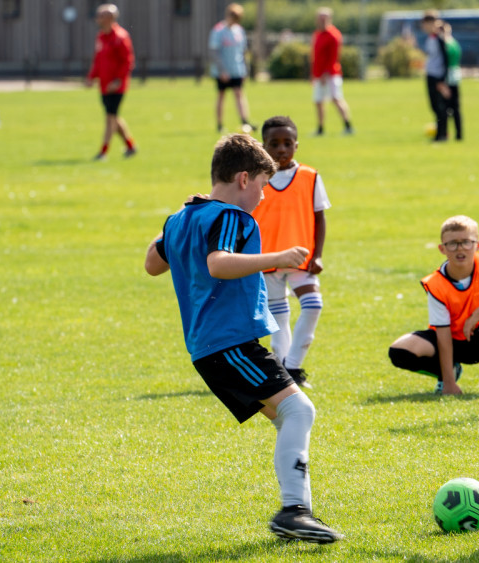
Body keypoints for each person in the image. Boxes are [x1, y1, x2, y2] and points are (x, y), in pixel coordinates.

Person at [143, 133, 343, 544]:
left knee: (290, 417)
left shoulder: (182, 218)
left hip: (208, 347)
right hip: (228, 341)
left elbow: (152, 264)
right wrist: (279, 257)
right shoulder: (234, 217)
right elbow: (219, 264)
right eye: (263, 187)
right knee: (300, 412)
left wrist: (179, 218)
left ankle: (299, 514)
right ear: (243, 178)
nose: (264, 198)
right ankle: (294, 512)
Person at [389, 215, 479, 396]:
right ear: (442, 249)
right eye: (452, 243)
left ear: (478, 245)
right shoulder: (435, 283)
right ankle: (448, 373)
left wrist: (478, 313)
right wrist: (448, 382)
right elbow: (443, 334)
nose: (460, 248)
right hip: (451, 343)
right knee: (398, 351)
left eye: (466, 242)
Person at [250, 116, 330, 389]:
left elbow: (319, 218)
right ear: (264, 146)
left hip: (301, 260)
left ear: (296, 144)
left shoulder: (310, 176)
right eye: (274, 144)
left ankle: (293, 366)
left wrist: (317, 255)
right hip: (268, 261)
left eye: (287, 143)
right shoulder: (256, 179)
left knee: (313, 305)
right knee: (278, 318)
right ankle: (284, 373)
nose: (281, 149)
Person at [85, 3, 137, 161]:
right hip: (104, 85)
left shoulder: (120, 37)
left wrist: (117, 81)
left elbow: (127, 62)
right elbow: (98, 59)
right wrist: (92, 77)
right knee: (114, 117)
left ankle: (103, 152)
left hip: (116, 86)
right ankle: (130, 146)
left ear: (109, 18)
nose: (98, 19)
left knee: (110, 118)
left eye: (101, 15)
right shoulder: (101, 36)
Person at [209, 2, 252, 134]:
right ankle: (219, 124)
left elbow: (243, 51)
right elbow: (214, 52)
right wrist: (222, 71)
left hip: (237, 69)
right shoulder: (218, 30)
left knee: (239, 94)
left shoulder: (239, 31)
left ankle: (245, 121)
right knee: (221, 96)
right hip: (223, 71)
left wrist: (245, 70)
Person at [310, 7, 353, 136]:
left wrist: (325, 73)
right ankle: (320, 128)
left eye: (324, 18)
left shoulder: (334, 34)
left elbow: (333, 57)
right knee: (318, 101)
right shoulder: (317, 34)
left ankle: (348, 126)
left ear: (329, 19)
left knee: (336, 98)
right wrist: (313, 74)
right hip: (318, 74)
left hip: (331, 74)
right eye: (320, 18)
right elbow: (315, 56)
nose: (322, 21)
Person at [420, 11, 450, 142]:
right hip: (431, 74)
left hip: (438, 76)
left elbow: (446, 58)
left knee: (439, 106)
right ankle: (441, 133)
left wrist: (443, 80)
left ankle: (442, 135)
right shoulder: (430, 38)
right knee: (434, 106)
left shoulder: (439, 38)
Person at [441, 22, 463, 141]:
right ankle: (459, 134)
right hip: (456, 75)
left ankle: (445, 133)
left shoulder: (446, 44)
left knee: (446, 107)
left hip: (448, 77)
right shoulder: (454, 42)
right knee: (456, 107)